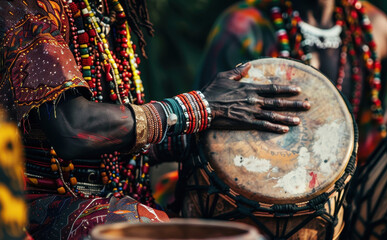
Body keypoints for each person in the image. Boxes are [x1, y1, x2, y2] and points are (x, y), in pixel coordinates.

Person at [0, 0, 310, 239]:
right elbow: (72, 128)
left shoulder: (108, 10)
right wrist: (199, 108)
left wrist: (213, 132)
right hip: (30, 204)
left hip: (118, 190)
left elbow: (119, 130)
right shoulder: (26, 7)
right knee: (147, 229)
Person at [197, 0, 387, 162]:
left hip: (356, 202)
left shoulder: (373, 28)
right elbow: (207, 137)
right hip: (259, 200)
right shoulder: (245, 27)